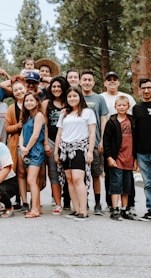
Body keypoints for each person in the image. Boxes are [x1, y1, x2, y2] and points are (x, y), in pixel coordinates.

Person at [54, 86, 96, 222]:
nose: (72, 98)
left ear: (80, 97)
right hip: (65, 149)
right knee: (70, 180)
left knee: (78, 179)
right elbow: (59, 134)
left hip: (80, 148)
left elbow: (92, 133)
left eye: (75, 96)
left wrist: (90, 152)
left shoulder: (88, 112)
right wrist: (56, 152)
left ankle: (84, 211)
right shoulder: (64, 114)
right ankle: (76, 209)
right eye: (70, 96)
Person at [100, 71, 136, 215]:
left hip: (128, 153)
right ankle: (112, 206)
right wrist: (105, 150)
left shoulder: (128, 99)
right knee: (113, 179)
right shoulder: (102, 98)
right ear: (105, 82)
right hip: (114, 150)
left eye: (115, 79)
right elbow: (106, 134)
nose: (112, 82)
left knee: (127, 182)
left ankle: (126, 208)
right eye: (109, 80)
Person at [80, 69, 108, 215]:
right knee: (81, 175)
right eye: (84, 79)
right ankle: (84, 202)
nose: (87, 82)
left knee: (96, 174)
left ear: (93, 82)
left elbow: (103, 119)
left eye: (89, 80)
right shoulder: (76, 96)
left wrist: (102, 139)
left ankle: (98, 204)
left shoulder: (99, 99)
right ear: (80, 81)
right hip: (78, 142)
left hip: (95, 142)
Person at [42, 76, 70, 215]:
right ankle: (58, 203)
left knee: (69, 173)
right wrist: (46, 143)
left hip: (69, 141)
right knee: (54, 173)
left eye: (59, 86)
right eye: (54, 86)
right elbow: (44, 124)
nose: (56, 89)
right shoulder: (47, 103)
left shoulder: (69, 101)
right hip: (52, 141)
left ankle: (71, 202)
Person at [19, 92, 45, 218]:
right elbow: (21, 134)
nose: (28, 102)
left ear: (37, 102)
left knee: (31, 180)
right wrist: (22, 148)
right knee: (32, 179)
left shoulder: (39, 115)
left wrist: (27, 149)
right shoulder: (27, 117)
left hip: (35, 150)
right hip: (27, 151)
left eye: (31, 100)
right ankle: (37, 207)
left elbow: (35, 135)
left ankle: (34, 209)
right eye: (26, 101)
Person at [5, 76, 28, 212]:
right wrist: (18, 126)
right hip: (16, 143)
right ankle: (21, 199)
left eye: (21, 89)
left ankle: (34, 200)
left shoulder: (32, 103)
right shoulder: (11, 108)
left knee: (33, 173)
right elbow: (7, 128)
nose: (19, 92)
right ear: (13, 93)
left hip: (32, 142)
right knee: (19, 172)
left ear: (25, 89)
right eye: (16, 90)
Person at [133, 78, 151, 221]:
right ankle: (150, 209)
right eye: (143, 88)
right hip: (142, 152)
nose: (146, 91)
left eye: (149, 88)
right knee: (148, 183)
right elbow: (135, 132)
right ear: (140, 90)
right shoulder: (137, 108)